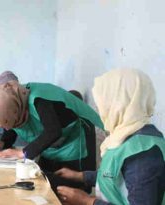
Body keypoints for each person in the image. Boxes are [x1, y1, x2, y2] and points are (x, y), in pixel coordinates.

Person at [55, 69, 165, 205]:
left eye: (103, 104)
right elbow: (115, 176)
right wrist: (81, 176)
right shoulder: (125, 136)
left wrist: (87, 201)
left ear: (119, 104)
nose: (100, 110)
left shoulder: (142, 153)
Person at [0, 74, 104, 192]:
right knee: (44, 183)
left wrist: (23, 153)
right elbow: (13, 125)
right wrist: (3, 142)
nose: (7, 128)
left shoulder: (39, 99)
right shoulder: (12, 101)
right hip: (52, 144)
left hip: (75, 141)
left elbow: (53, 131)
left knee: (72, 188)